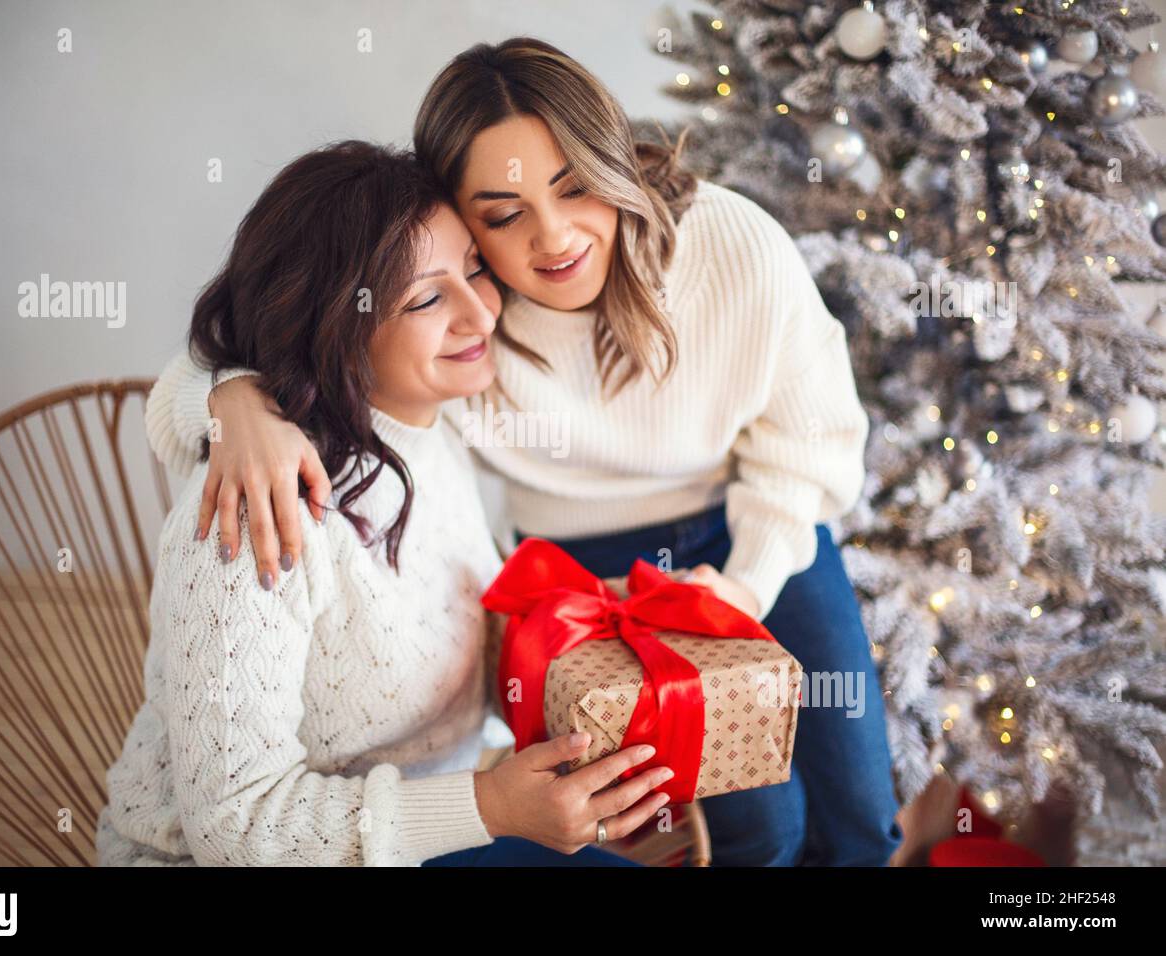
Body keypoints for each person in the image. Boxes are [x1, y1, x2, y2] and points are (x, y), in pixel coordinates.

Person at [144, 39, 904, 867]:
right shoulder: (464, 321)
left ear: (614, 162)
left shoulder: (728, 249)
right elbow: (282, 313)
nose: (553, 239)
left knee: (860, 804)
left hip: (758, 520)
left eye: (576, 186)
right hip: (582, 557)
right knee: (759, 823)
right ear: (460, 217)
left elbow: (810, 444)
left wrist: (745, 584)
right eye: (502, 216)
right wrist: (233, 400)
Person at [97, 141, 672, 867]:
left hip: (428, 831)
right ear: (333, 324)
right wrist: (490, 804)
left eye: (474, 270)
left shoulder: (434, 428)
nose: (480, 313)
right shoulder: (259, 514)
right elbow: (234, 825)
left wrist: (602, 616)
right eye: (427, 297)